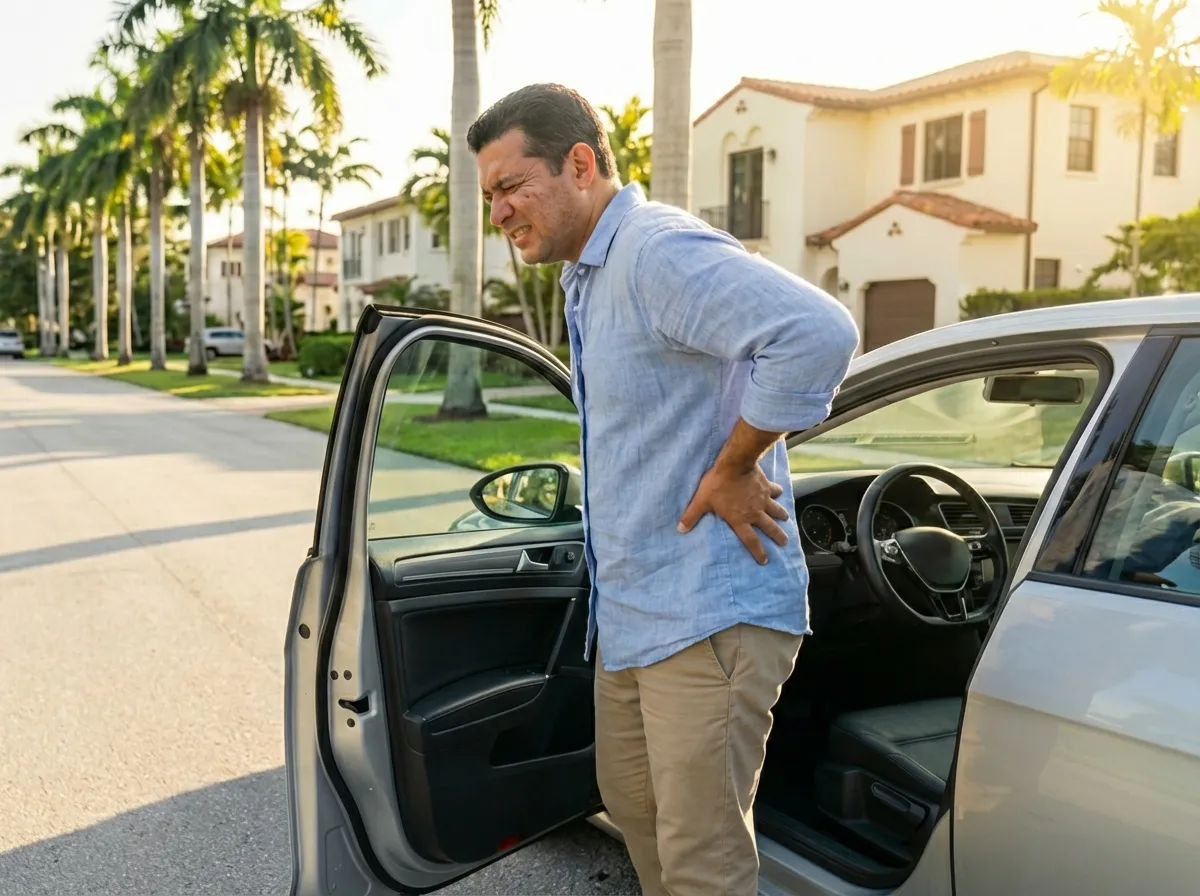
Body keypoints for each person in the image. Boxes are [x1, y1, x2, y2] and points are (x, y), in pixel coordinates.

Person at [468, 83, 860, 896]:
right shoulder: (591, 273)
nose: (498, 213)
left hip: (707, 613)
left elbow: (817, 333)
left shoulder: (654, 251)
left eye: (510, 187)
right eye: (490, 196)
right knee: (635, 809)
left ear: (580, 164)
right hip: (637, 615)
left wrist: (736, 465)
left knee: (701, 860)